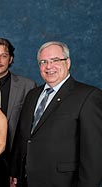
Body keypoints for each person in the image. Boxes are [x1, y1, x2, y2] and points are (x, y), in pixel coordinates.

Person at [10, 41, 102, 187]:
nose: (49, 66)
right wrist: (15, 172)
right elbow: (22, 137)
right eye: (43, 62)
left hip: (62, 182)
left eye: (55, 60)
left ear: (68, 62)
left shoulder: (88, 96)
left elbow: (94, 154)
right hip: (27, 180)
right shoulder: (32, 95)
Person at [0, 38, 37, 158]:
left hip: (14, 155)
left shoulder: (27, 86)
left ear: (11, 59)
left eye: (3, 56)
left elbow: (30, 128)